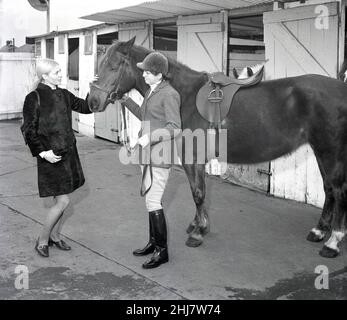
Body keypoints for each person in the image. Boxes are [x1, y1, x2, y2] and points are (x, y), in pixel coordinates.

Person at [21, 58, 94, 258]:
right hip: (50, 157)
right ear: (44, 76)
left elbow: (85, 107)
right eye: (56, 72)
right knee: (63, 202)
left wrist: (94, 88)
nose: (61, 75)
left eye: (60, 71)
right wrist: (43, 152)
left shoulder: (63, 93)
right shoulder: (33, 97)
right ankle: (42, 240)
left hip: (68, 154)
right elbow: (28, 129)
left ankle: (54, 236)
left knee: (61, 199)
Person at [120, 51, 181, 269]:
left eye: (147, 72)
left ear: (158, 74)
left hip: (160, 155)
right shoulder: (151, 91)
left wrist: (150, 137)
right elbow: (146, 116)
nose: (143, 75)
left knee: (154, 201)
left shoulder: (170, 94)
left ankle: (162, 251)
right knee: (149, 200)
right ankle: (153, 243)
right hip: (146, 154)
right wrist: (126, 101)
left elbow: (175, 128)